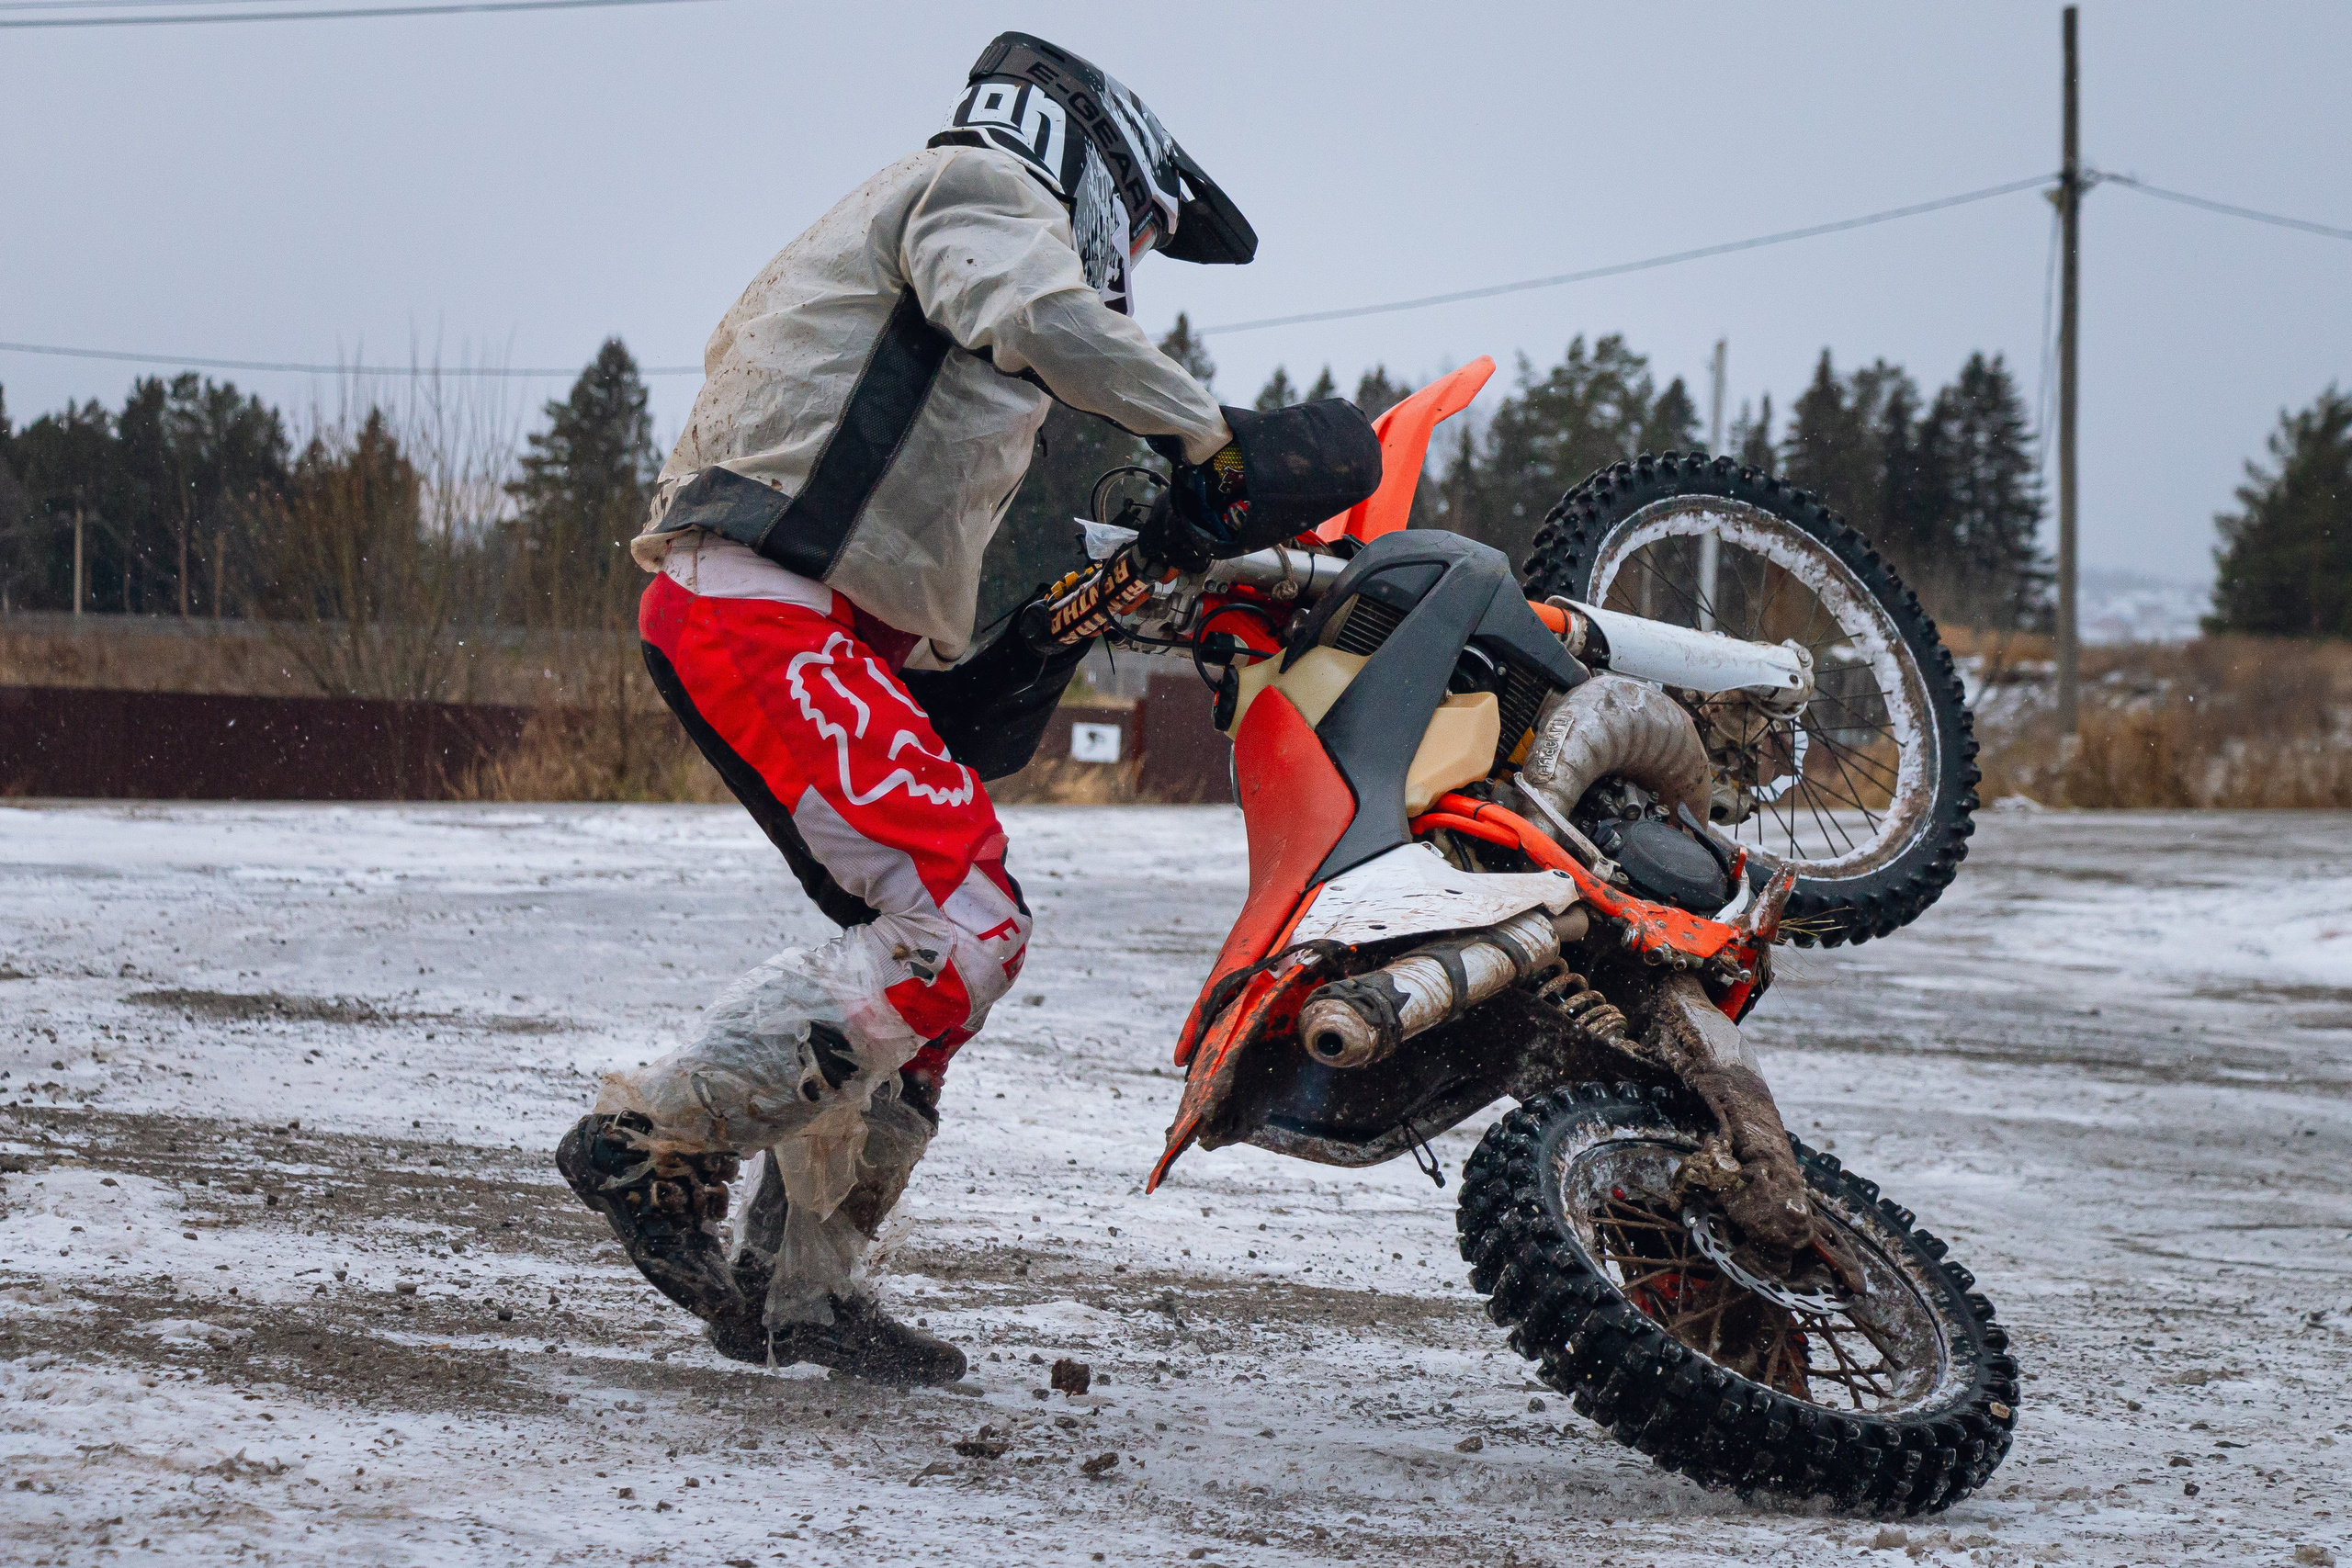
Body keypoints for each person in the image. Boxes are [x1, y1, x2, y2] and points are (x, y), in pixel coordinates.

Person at [556, 31, 1381, 1385]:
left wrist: (1102, 593)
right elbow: (1050, 320)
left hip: (805, 614)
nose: (1135, 263)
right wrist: (1206, 435)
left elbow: (936, 512)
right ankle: (651, 1142)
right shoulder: (983, 190)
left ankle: (798, 1290)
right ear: (1105, 170)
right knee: (964, 926)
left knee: (939, 971)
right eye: (1147, 236)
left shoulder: (923, 242)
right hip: (762, 605)